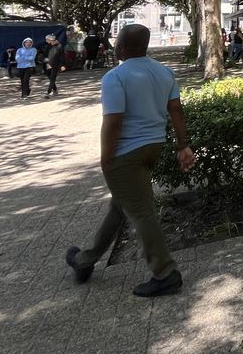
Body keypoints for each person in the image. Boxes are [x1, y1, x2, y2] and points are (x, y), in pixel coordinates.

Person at [66, 24, 194, 297]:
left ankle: (166, 273)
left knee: (141, 211)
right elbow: (176, 110)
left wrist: (105, 158)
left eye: (116, 43)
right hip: (153, 148)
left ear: (121, 47)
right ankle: (84, 261)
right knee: (121, 206)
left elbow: (113, 122)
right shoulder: (164, 71)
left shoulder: (116, 77)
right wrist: (183, 145)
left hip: (125, 153)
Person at [42, 34, 65, 98]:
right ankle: (55, 89)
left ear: (51, 39)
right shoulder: (48, 46)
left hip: (56, 64)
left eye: (47, 39)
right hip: (48, 64)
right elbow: (45, 55)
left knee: (52, 78)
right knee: (50, 78)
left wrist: (62, 65)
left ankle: (48, 92)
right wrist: (47, 63)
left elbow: (62, 56)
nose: (46, 40)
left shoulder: (59, 46)